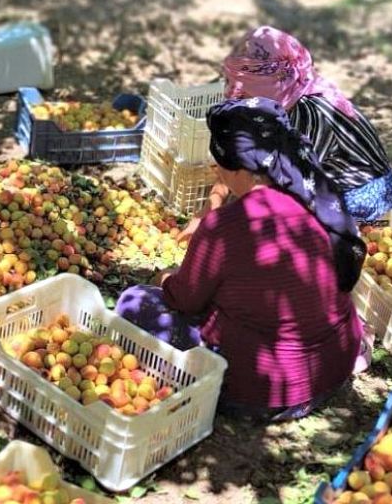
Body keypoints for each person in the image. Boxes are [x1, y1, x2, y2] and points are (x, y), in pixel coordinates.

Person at [116, 97, 367, 421]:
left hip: (264, 393)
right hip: (333, 370)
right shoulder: (314, 197)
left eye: (218, 163)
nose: (215, 169)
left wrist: (165, 276)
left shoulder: (225, 227)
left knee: (134, 302)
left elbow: (184, 299)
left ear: (237, 168)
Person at [180, 26, 392, 240]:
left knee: (285, 231)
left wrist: (229, 223)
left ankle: (364, 228)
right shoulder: (283, 98)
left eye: (245, 90)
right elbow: (238, 156)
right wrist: (212, 204)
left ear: (269, 86)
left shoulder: (311, 115)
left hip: (360, 195)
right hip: (322, 177)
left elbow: (295, 186)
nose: (236, 95)